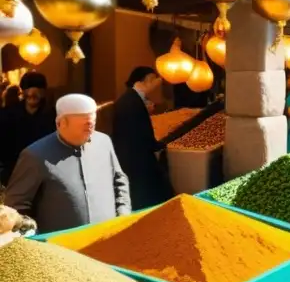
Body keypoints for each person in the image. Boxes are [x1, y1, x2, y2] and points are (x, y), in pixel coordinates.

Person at [5, 93, 131, 234]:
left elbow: (119, 181)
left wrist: (123, 214)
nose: (91, 130)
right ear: (61, 123)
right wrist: (37, 239)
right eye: (86, 125)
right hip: (59, 250)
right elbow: (15, 209)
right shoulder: (35, 156)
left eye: (93, 124)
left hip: (107, 241)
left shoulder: (104, 142)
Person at [112, 66, 174, 210]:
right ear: (147, 80)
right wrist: (156, 145)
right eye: (153, 81)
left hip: (133, 157)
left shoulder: (132, 99)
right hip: (135, 160)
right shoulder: (131, 102)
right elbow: (138, 132)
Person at [0, 72, 56, 186]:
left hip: (45, 174)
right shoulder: (9, 114)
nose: (32, 93)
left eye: (37, 89)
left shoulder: (53, 115)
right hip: (15, 173)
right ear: (23, 91)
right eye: (28, 88)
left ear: (44, 92)